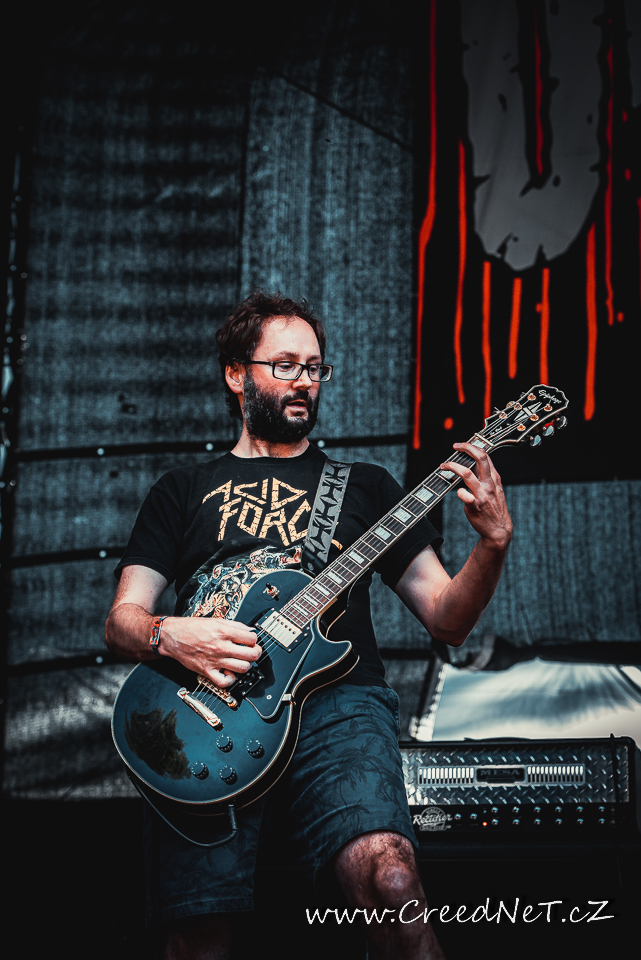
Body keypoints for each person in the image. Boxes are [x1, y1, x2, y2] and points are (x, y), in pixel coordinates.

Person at [105, 291, 513, 959]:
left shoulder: (366, 486)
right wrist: (170, 634)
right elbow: (122, 621)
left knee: (391, 881)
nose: (303, 382)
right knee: (197, 934)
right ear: (235, 374)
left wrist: (491, 545)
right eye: (285, 365)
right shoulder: (181, 490)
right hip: (202, 708)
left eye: (315, 368)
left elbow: (448, 619)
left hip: (339, 703)